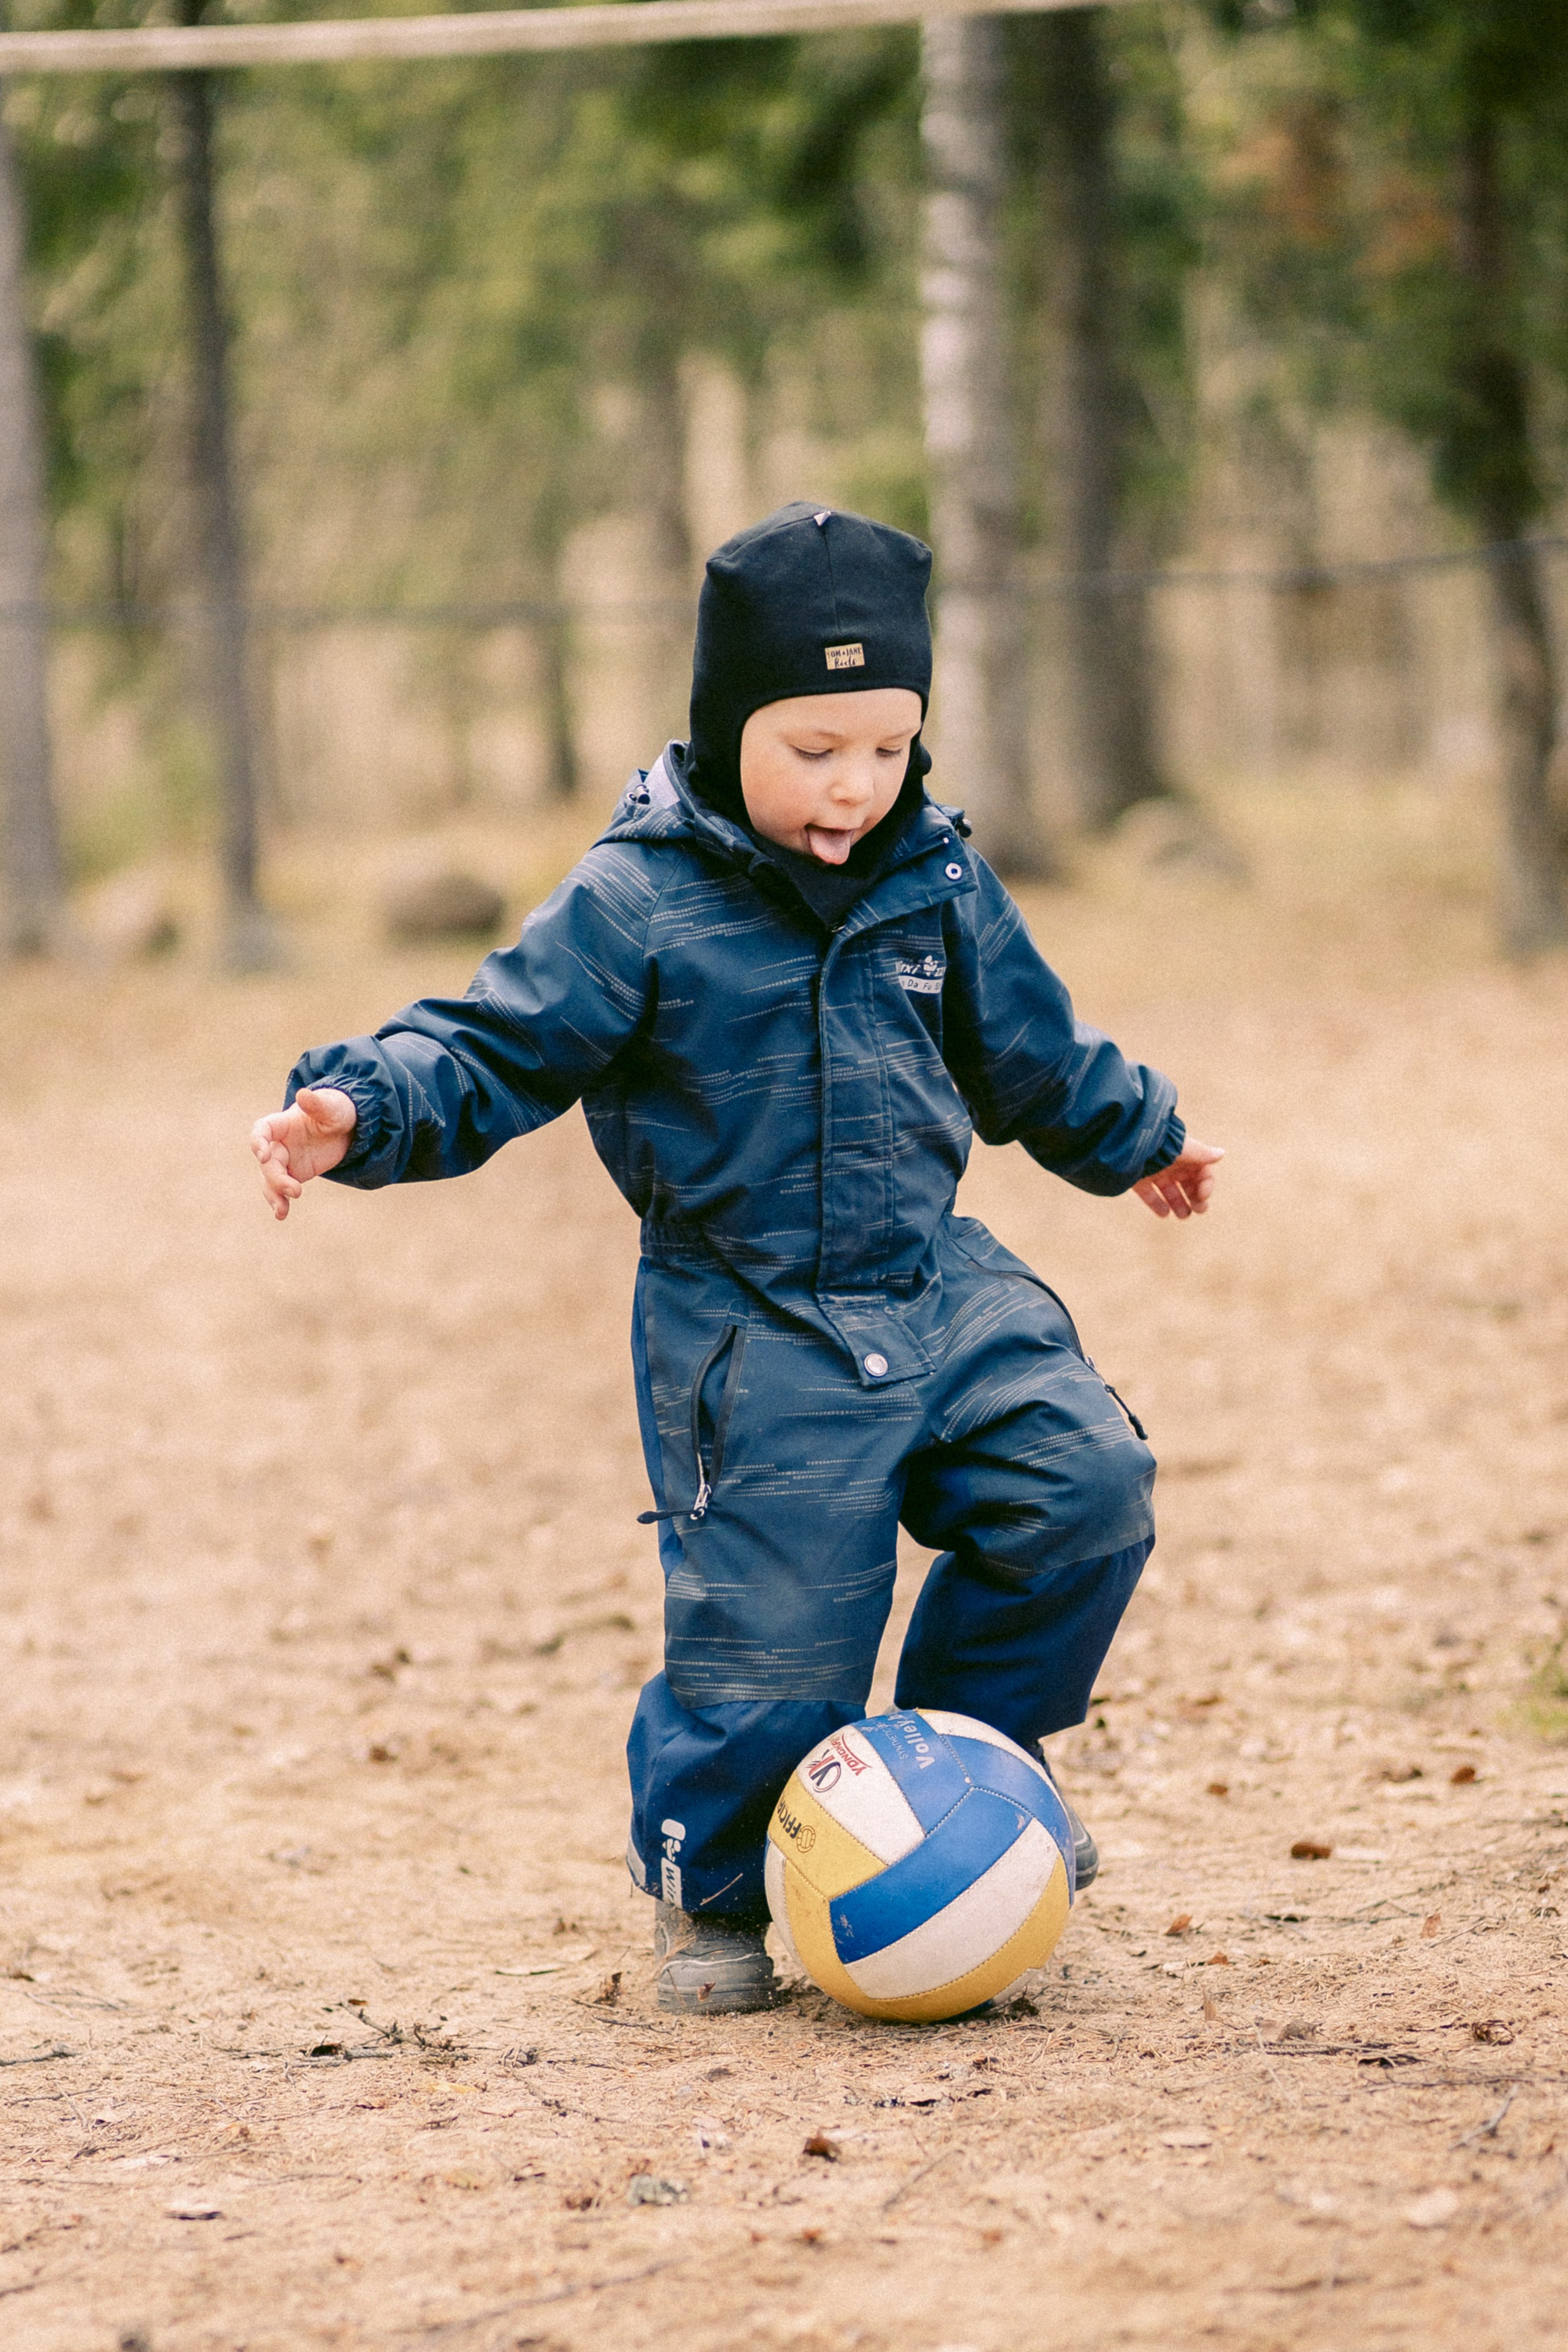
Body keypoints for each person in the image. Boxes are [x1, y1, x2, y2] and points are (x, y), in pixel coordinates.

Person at [252, 502, 1222, 2016]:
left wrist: (1136, 1133)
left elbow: (1029, 1051)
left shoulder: (938, 878)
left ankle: (972, 1764)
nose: (854, 787)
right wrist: (354, 1107)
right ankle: (709, 1895)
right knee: (769, 1662)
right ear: (724, 728)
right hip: (749, 1322)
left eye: (886, 748)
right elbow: (489, 1047)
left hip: (931, 1278)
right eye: (811, 749)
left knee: (1083, 1483)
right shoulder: (636, 900)